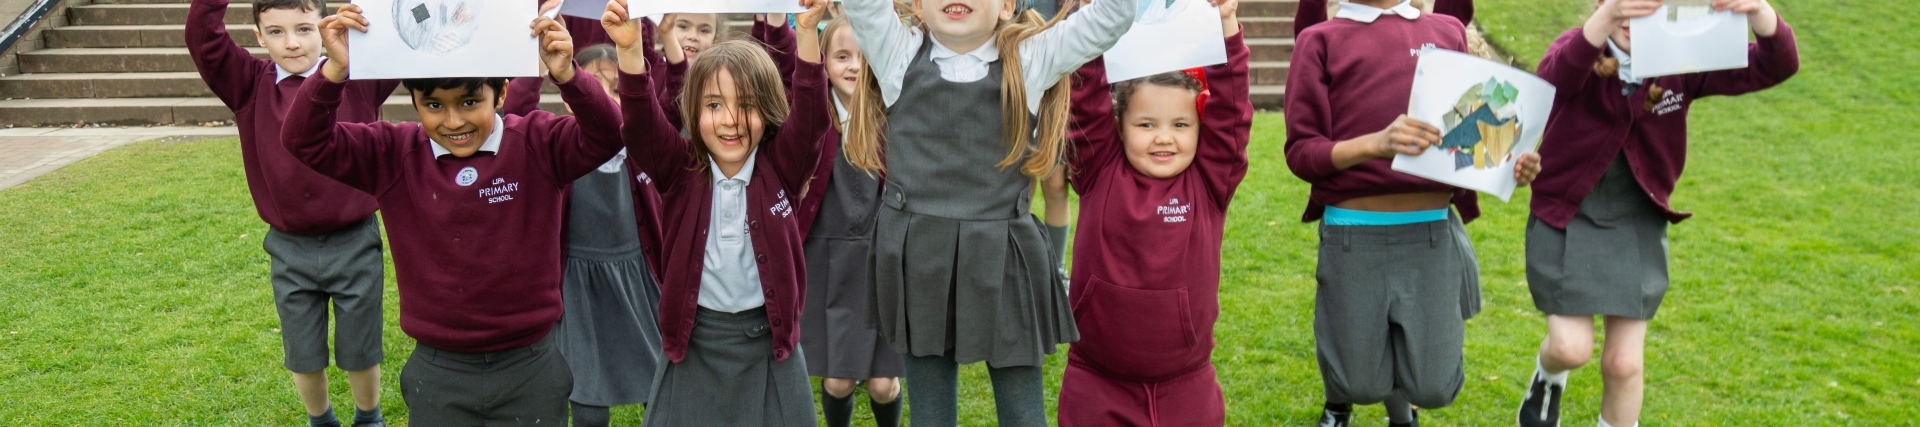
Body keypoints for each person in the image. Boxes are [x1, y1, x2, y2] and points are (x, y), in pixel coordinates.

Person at [285, 8, 625, 424]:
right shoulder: (391, 153)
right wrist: (333, 70)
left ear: (501, 93)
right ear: (413, 102)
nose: (453, 120)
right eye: (433, 104)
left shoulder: (538, 141)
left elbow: (609, 134)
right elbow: (304, 140)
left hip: (530, 364)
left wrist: (568, 75)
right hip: (438, 368)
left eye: (469, 101)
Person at [838, 0, 1136, 424]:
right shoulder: (896, 53)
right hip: (919, 259)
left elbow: (1114, 15)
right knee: (931, 414)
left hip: (1006, 259)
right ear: (920, 4)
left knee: (1023, 413)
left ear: (1006, 6)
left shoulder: (1031, 59)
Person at [1515, 1, 1797, 427]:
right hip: (1566, 217)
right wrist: (1603, 22)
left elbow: (1775, 65)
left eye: (1645, 7)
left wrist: (1759, 11)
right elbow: (1553, 80)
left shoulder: (1680, 62)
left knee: (1624, 364)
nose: (1630, 20)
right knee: (1571, 349)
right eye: (1620, 7)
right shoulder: (1576, 48)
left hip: (1636, 223)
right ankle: (1549, 376)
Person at [1282, 0, 1542, 426]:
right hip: (1353, 239)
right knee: (1359, 384)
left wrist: (1512, 164)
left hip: (1430, 237)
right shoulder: (1319, 40)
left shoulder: (1447, 31)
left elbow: (1474, 137)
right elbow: (1301, 152)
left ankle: (1403, 411)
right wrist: (1376, 144)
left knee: (1436, 386)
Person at [601, 0, 835, 425]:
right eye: (713, 105)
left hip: (769, 345)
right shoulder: (677, 168)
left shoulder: (785, 165)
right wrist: (630, 49)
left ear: (768, 111)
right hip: (693, 342)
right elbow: (639, 124)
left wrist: (805, 34)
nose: (729, 121)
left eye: (745, 105)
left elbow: (814, 117)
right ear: (693, 110)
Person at [184, 1, 397, 425]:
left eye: (303, 28)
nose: (293, 42)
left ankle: (368, 416)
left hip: (355, 238)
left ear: (323, 28)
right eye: (276, 32)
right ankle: (321, 419)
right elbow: (203, 38)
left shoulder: (357, 74)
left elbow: (405, 39)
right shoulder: (248, 83)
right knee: (302, 349)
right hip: (288, 246)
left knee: (361, 343)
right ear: (259, 37)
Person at [1054, 1, 1250, 426]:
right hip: (1096, 383)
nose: (1164, 138)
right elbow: (1085, 99)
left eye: (1181, 124)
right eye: (1146, 124)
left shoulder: (1211, 183)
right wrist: (1094, 13)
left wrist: (1227, 26)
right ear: (1118, 125)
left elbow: (1232, 115)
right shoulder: (1098, 170)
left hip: (1188, 386)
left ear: (1201, 128)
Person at [790, 14, 907, 427]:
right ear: (823, 62)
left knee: (882, 384)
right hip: (827, 259)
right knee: (838, 381)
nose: (855, 66)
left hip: (884, 261)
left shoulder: (896, 115)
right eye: (842, 56)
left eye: (865, 56)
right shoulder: (811, 118)